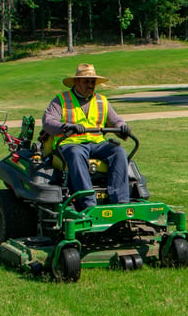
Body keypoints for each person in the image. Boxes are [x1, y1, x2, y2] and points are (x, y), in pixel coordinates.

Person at [42, 63, 132, 210]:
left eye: (92, 82)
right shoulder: (61, 100)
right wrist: (67, 127)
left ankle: (120, 202)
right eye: (86, 81)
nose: (90, 85)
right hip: (71, 143)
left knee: (118, 151)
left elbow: (115, 120)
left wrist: (122, 126)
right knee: (76, 153)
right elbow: (48, 121)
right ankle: (87, 203)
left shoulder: (101, 101)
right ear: (76, 82)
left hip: (97, 142)